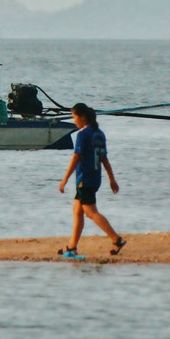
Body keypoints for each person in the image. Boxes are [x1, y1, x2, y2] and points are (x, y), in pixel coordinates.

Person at [57, 103, 123, 259]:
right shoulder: (99, 134)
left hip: (85, 179)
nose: (74, 121)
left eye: (74, 117)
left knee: (90, 212)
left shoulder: (83, 134)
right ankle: (72, 248)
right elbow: (104, 158)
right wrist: (111, 178)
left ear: (82, 117)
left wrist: (64, 179)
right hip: (95, 178)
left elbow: (76, 157)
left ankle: (116, 239)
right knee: (77, 210)